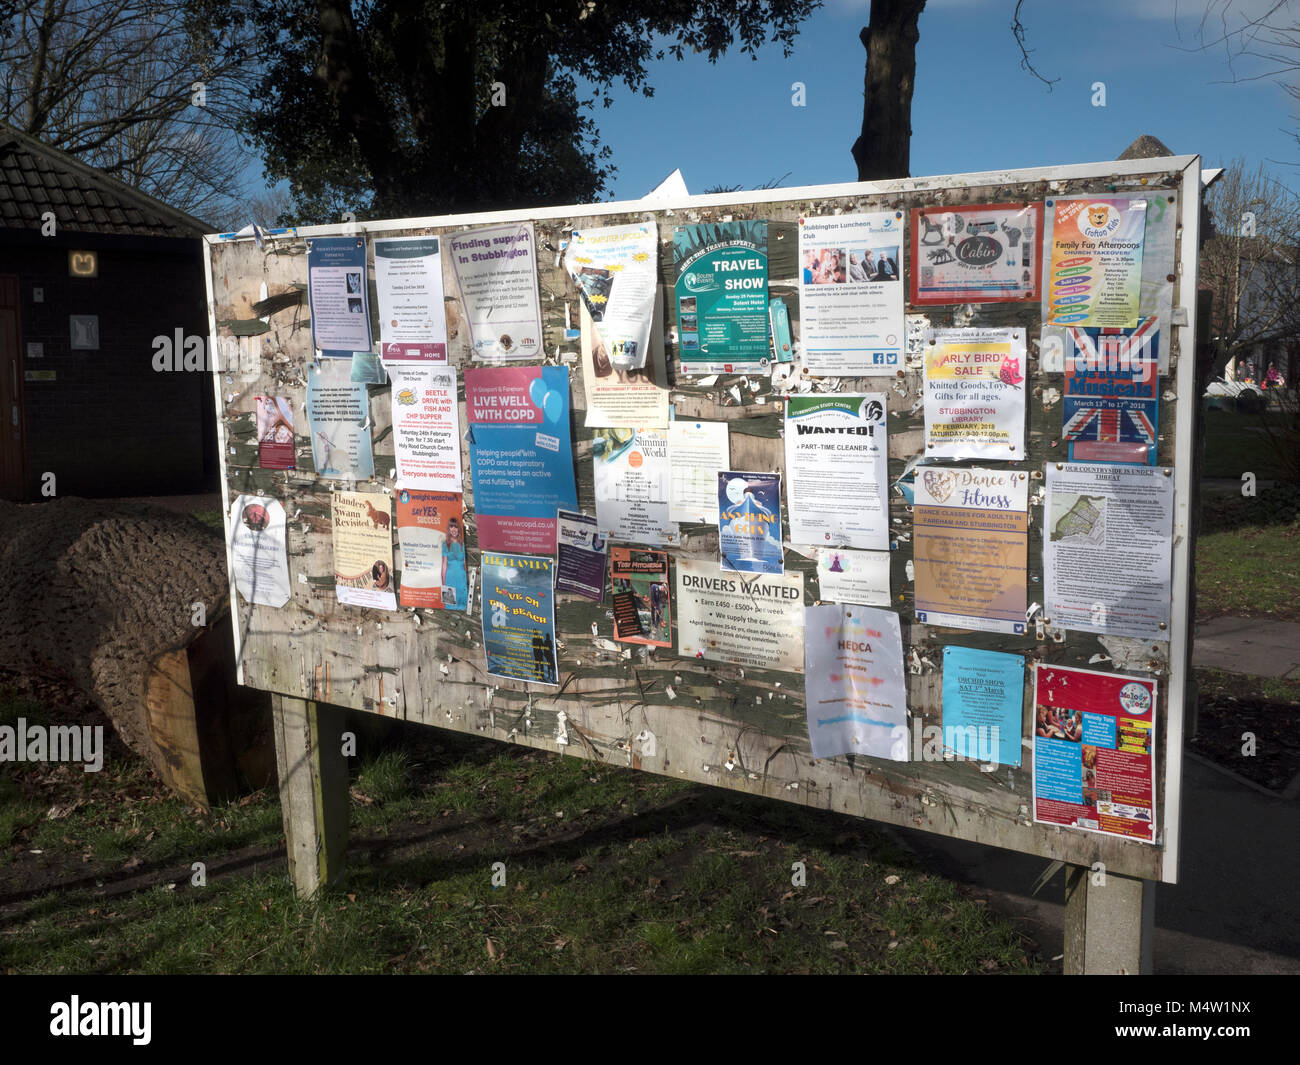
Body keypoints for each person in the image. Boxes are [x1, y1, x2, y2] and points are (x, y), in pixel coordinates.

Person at [442, 517, 468, 607]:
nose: (453, 529)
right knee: (450, 605)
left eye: (455, 527)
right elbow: (444, 565)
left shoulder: (463, 545)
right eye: (451, 527)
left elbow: (465, 564)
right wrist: (444, 583)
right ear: (449, 529)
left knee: (462, 605)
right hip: (450, 579)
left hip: (461, 578)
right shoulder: (445, 544)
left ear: (459, 529)